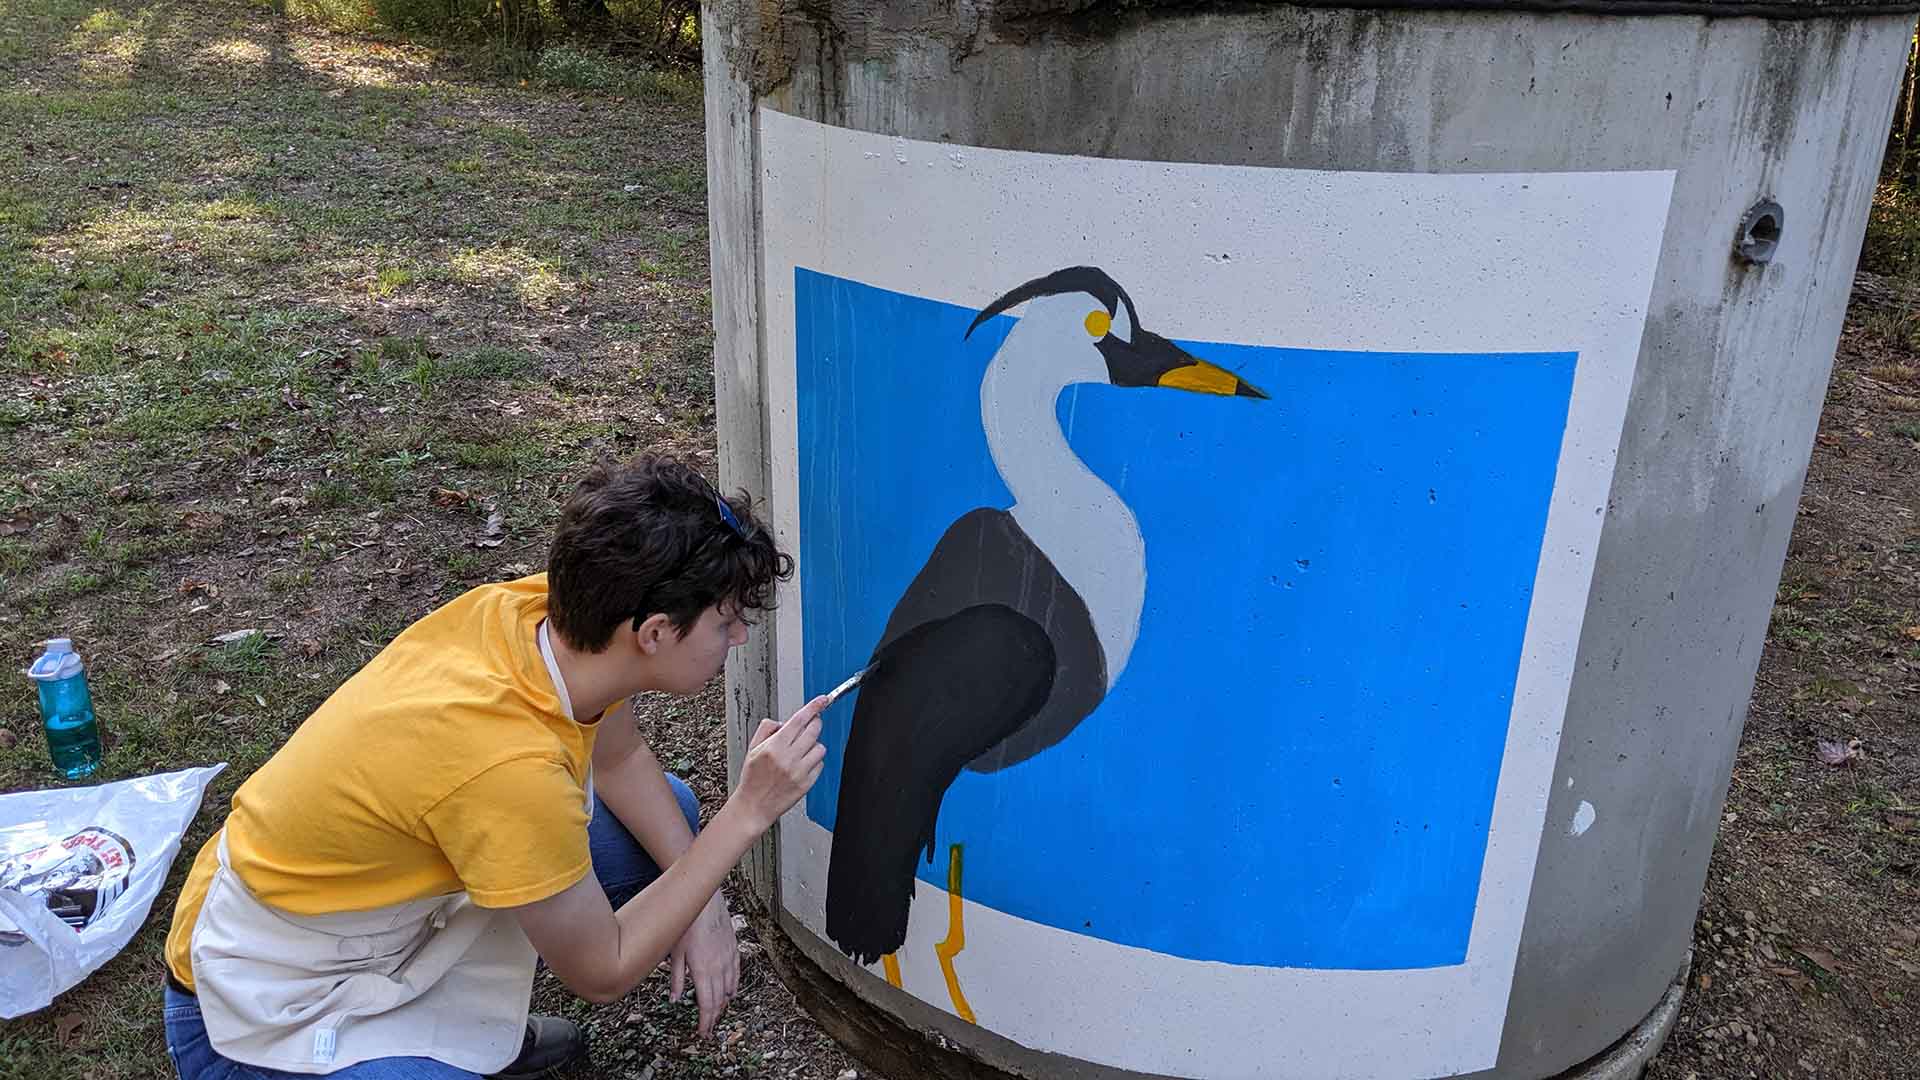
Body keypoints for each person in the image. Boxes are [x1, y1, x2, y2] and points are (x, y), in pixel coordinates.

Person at [158, 455, 828, 1079]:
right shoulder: (510, 766)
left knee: (665, 816)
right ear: (653, 633)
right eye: (724, 622)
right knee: (651, 847)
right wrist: (746, 814)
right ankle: (413, 1044)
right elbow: (604, 968)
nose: (739, 636)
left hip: (358, 912)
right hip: (254, 1002)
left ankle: (458, 1025)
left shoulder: (546, 618)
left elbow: (620, 758)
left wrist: (701, 906)